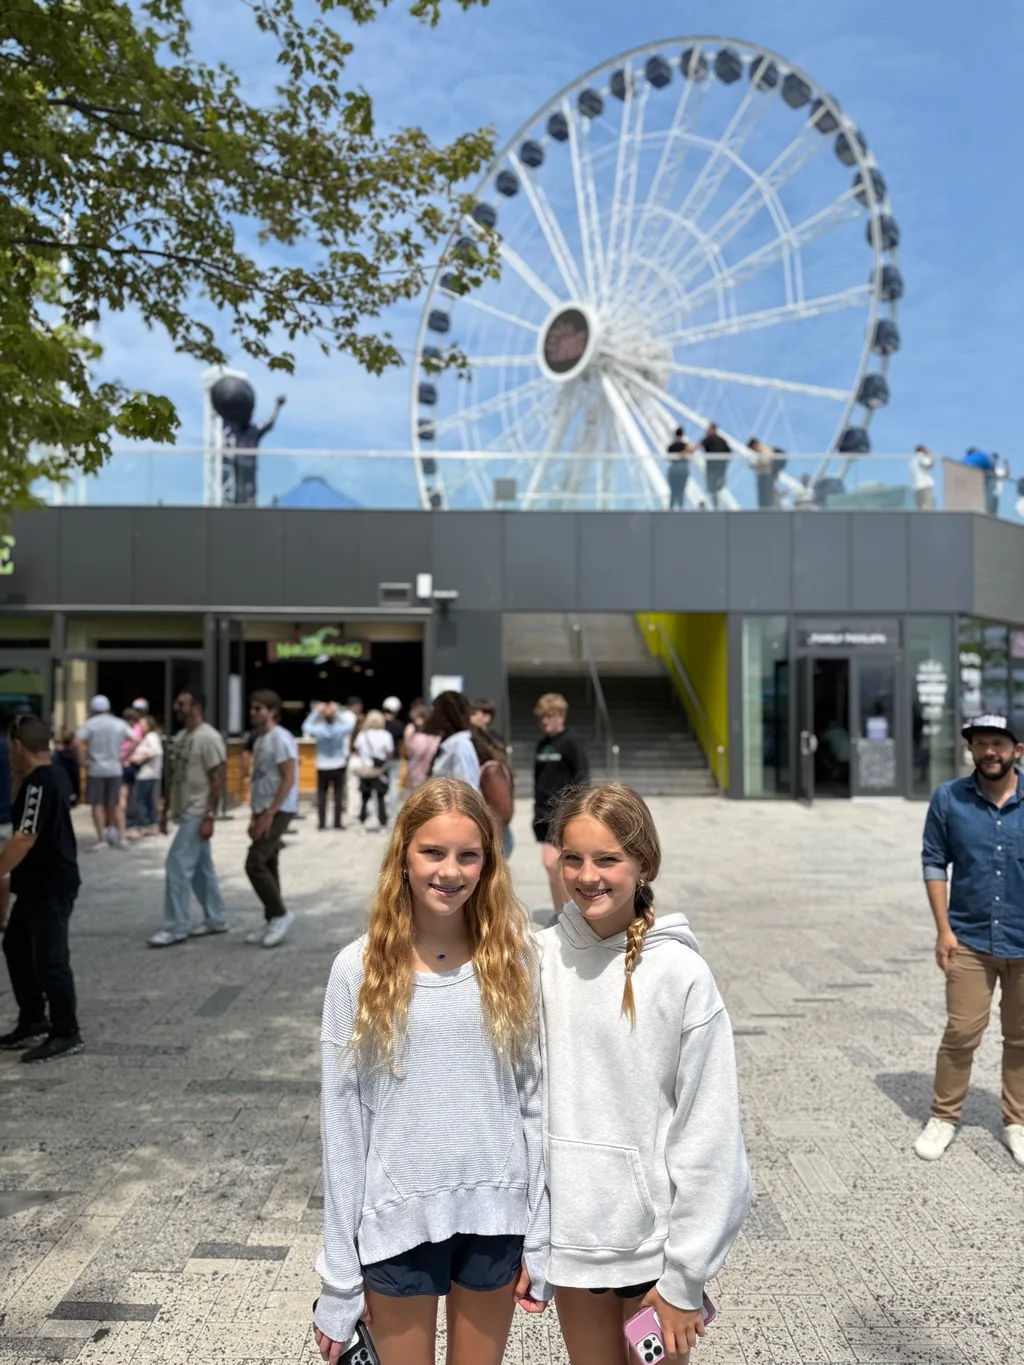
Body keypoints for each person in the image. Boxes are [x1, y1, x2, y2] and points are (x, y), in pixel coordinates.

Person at [312, 779, 549, 1365]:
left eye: (469, 855)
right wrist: (339, 1277)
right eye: (433, 852)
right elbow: (342, 1128)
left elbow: (535, 1101)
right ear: (403, 856)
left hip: (496, 1212)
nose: (450, 871)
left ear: (489, 863)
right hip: (396, 1217)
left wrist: (540, 1235)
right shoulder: (358, 969)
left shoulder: (516, 958)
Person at [537, 783, 751, 1364]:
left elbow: (710, 1135)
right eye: (573, 857)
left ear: (643, 863)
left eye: (608, 859)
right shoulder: (538, 958)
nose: (588, 876)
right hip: (575, 1243)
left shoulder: (681, 974)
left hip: (657, 1253)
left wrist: (686, 1275)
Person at [915, 714, 1024, 1166]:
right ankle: (944, 1116)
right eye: (981, 743)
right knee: (961, 1033)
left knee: (1022, 1038)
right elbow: (934, 861)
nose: (989, 752)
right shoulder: (949, 798)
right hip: (970, 940)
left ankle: (1017, 1121)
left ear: (1017, 750)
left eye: (999, 743)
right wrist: (943, 929)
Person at [0, 714, 83, 1063]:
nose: (7, 756)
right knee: (16, 946)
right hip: (37, 884)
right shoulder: (54, 773)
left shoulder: (40, 783)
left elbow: (24, 837)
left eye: (9, 748)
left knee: (51, 960)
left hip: (51, 885)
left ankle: (66, 1032)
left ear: (19, 747)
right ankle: (33, 1018)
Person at [149, 690, 228, 948]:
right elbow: (175, 778)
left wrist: (209, 816)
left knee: (177, 866)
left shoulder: (209, 738)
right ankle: (216, 918)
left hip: (197, 811)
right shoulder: (182, 738)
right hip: (185, 811)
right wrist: (165, 812)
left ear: (197, 707)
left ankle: (176, 926)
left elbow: (217, 780)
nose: (176, 707)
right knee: (201, 871)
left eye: (182, 703)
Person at [245, 690, 298, 947]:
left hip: (278, 809)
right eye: (252, 708)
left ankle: (280, 914)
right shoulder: (259, 740)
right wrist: (255, 815)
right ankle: (271, 919)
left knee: (254, 863)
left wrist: (269, 813)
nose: (253, 712)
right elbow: (260, 781)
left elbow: (288, 778)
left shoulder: (280, 738)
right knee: (268, 862)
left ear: (272, 711)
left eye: (259, 708)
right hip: (263, 808)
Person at [533, 693, 588, 912]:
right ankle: (560, 912)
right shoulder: (542, 744)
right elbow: (537, 780)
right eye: (541, 718)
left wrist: (578, 812)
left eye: (549, 716)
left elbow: (583, 778)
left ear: (560, 716)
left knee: (556, 864)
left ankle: (571, 912)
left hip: (565, 812)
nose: (544, 721)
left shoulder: (571, 742)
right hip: (544, 813)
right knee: (550, 866)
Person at [76, 695, 133, 850]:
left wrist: (83, 761)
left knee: (97, 804)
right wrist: (125, 756)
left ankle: (102, 839)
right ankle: (121, 836)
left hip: (96, 769)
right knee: (115, 804)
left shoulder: (90, 725)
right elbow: (134, 738)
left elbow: (77, 741)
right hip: (115, 768)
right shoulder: (118, 723)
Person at [303, 701, 355, 831]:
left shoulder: (319, 730)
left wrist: (316, 712)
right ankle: (337, 823)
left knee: (322, 795)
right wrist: (337, 712)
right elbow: (351, 726)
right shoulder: (339, 729)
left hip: (322, 765)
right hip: (338, 764)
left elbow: (305, 726)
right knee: (338, 795)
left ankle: (322, 823)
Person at [474, 727, 515, 858]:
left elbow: (503, 813)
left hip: (497, 839)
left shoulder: (491, 770)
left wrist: (494, 849)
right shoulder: (492, 768)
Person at [427, 691, 481, 790]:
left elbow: (465, 792)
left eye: (435, 711)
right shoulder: (449, 745)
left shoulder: (461, 746)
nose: (432, 716)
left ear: (446, 716)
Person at [352, 709, 394, 830]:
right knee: (381, 797)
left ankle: (362, 823)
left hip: (365, 769)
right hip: (380, 770)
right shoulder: (386, 735)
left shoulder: (362, 734)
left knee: (365, 797)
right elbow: (390, 753)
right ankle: (382, 823)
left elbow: (357, 750)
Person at [128, 715, 163, 837]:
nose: (140, 727)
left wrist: (140, 758)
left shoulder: (151, 737)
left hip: (147, 773)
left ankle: (141, 825)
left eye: (143, 724)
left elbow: (155, 751)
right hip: (147, 773)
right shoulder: (146, 737)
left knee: (140, 800)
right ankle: (151, 824)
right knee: (148, 800)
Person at [403, 704, 439, 794]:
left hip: (421, 773)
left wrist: (407, 737)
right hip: (425, 772)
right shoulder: (435, 736)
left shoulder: (419, 737)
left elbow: (409, 752)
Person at [119, 705, 143, 835]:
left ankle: (122, 819)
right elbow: (137, 740)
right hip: (131, 763)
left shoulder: (121, 727)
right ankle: (129, 817)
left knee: (122, 795)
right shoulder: (137, 728)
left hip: (122, 763)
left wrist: (123, 756)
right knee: (132, 793)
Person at [382, 696, 405, 817]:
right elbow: (402, 742)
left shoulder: (380, 723)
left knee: (381, 784)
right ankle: (393, 811)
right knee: (393, 784)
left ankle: (381, 810)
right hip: (395, 758)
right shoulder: (399, 725)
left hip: (381, 758)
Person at [700, 423, 731, 509]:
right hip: (721, 467)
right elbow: (729, 453)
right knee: (718, 485)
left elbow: (697, 446)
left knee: (712, 487)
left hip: (712, 468)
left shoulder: (708, 439)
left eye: (708, 430)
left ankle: (714, 505)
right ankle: (715, 505)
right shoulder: (723, 440)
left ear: (712, 430)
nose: (706, 432)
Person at [665, 428, 691, 510]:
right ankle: (680, 508)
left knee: (673, 490)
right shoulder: (685, 446)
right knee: (681, 490)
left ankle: (671, 508)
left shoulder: (671, 446)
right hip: (683, 469)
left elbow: (669, 457)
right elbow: (690, 453)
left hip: (673, 469)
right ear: (682, 435)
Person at [748, 438, 776, 509]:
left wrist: (755, 465)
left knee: (766, 494)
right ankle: (762, 508)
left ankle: (767, 509)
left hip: (766, 475)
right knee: (761, 495)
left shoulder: (766, 450)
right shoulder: (759, 453)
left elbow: (765, 461)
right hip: (761, 476)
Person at [53, 733, 80, 807]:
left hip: (59, 780)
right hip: (71, 784)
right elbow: (75, 774)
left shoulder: (57, 752)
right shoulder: (73, 755)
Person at [910, 444, 936, 510]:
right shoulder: (920, 456)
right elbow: (929, 464)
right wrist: (931, 456)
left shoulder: (912, 460)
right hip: (925, 485)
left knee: (920, 508)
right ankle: (925, 520)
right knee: (926, 507)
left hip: (916, 487)